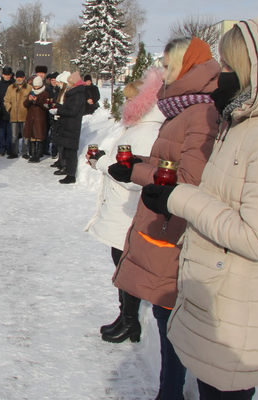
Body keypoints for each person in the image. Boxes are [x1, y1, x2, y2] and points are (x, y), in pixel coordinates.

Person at [141, 16, 258, 399]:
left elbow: (256, 237)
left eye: (230, 66)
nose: (219, 75)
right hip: (218, 301)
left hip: (237, 311)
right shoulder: (244, 123)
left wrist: (177, 198)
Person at [108, 36, 220, 400]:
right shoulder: (184, 109)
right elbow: (169, 164)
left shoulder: (201, 113)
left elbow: (188, 179)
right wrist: (138, 165)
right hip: (165, 222)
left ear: (191, 66)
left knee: (170, 312)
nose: (165, 75)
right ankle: (167, 389)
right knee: (163, 310)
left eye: (170, 67)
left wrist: (138, 173)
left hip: (176, 228)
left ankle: (170, 392)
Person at [83, 68, 164, 342]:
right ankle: (125, 317)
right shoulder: (137, 128)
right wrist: (103, 160)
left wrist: (102, 161)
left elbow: (134, 176)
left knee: (126, 267)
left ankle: (130, 321)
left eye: (130, 99)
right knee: (121, 264)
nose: (125, 104)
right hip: (121, 210)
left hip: (129, 212)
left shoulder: (147, 132)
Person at [50, 72, 86, 184]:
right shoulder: (73, 94)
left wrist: (58, 111)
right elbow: (68, 108)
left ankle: (71, 175)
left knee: (71, 152)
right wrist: (57, 107)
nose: (68, 84)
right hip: (67, 125)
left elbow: (72, 111)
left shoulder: (78, 95)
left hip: (72, 126)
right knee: (66, 150)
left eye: (70, 82)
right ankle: (67, 170)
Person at [3, 70, 31, 159]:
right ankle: (14, 152)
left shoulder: (29, 88)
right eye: (17, 77)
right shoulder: (11, 88)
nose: (19, 79)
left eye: (21, 77)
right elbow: (6, 100)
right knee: (14, 135)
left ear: (24, 78)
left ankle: (25, 152)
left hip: (25, 115)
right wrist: (9, 108)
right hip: (14, 115)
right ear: (15, 78)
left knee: (25, 135)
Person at [23, 76, 49, 163]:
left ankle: (38, 155)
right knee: (32, 137)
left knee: (39, 137)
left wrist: (37, 101)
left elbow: (47, 106)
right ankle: (32, 155)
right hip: (31, 118)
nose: (36, 88)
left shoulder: (45, 94)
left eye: (37, 86)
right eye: (35, 86)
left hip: (40, 119)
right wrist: (29, 100)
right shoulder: (31, 92)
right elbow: (25, 104)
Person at [0, 67, 14, 156]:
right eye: (5, 75)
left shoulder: (14, 84)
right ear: (2, 75)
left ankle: (9, 148)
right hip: (1, 111)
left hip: (11, 111)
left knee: (10, 131)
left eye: (8, 75)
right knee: (1, 131)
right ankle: (2, 148)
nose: (7, 76)